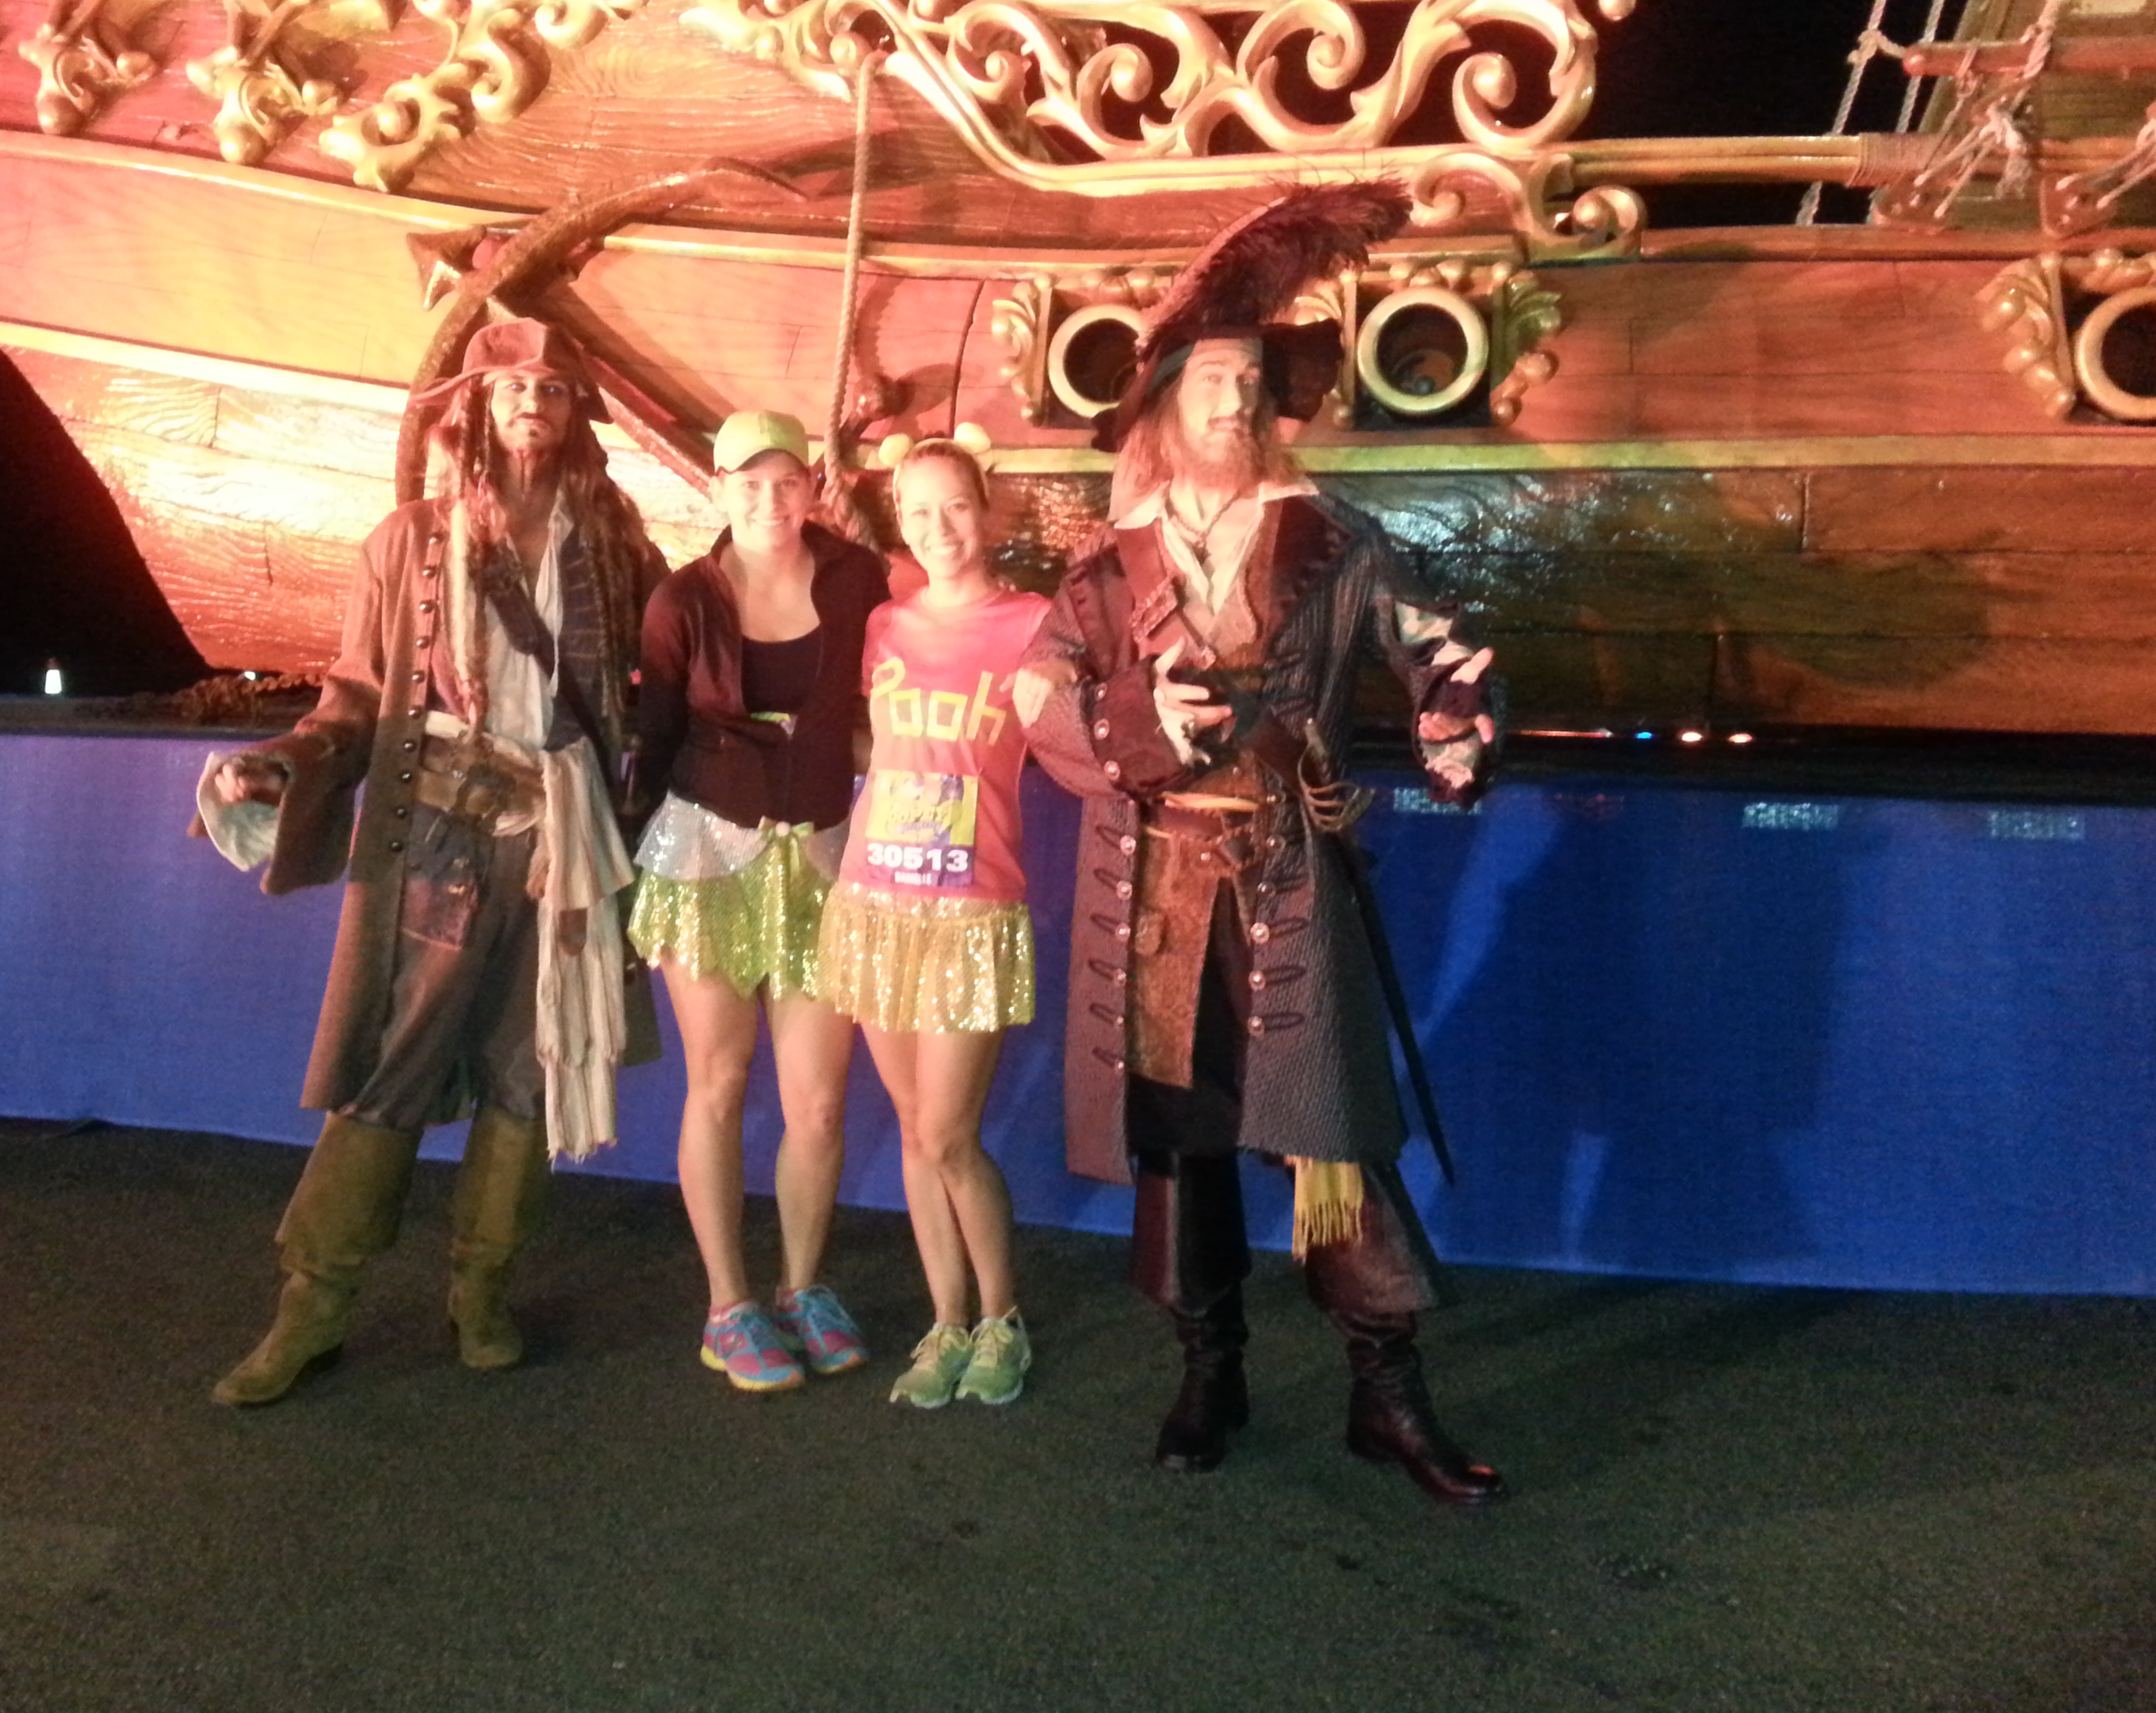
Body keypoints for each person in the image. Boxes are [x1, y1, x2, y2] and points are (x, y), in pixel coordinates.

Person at [1014, 185, 1508, 1504]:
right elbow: (1036, 697)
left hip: (1289, 880)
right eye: (1211, 380)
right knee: (1181, 1151)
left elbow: (1439, 648)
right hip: (1157, 899)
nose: (1235, 402)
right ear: (1164, 402)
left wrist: (1456, 719)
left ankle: (1385, 1399)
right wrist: (1132, 719)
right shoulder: (1103, 570)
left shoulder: (1334, 540)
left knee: (1335, 1144)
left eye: (1249, 382)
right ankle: (1208, 1371)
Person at [197, 318, 660, 1407]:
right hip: (436, 834)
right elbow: (357, 694)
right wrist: (283, 761)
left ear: (576, 412)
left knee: (530, 1068)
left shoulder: (617, 547)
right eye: (513, 386)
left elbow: (668, 687)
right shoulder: (408, 540)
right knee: (387, 1066)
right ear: (479, 408)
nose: (533, 401)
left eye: (554, 387)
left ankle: (483, 1292)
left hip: (561, 844)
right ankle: (312, 1307)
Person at [629, 410, 894, 1392]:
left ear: (813, 488)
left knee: (819, 1102)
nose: (769, 499)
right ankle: (728, 1306)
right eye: (748, 482)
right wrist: (614, 862)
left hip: (824, 854)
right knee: (719, 1081)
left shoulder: (860, 579)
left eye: (786, 481)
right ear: (718, 489)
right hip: (705, 855)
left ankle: (803, 1286)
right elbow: (656, 738)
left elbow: (898, 684)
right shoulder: (681, 600)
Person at [815, 439, 1049, 1409]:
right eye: (916, 511)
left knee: (951, 1132)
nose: (938, 528)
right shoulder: (883, 625)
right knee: (915, 1130)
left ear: (988, 511)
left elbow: (1076, 742)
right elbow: (867, 743)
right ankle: (947, 1320)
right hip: (876, 901)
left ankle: (1003, 1319)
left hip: (970, 908)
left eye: (954, 506)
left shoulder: (1033, 625)